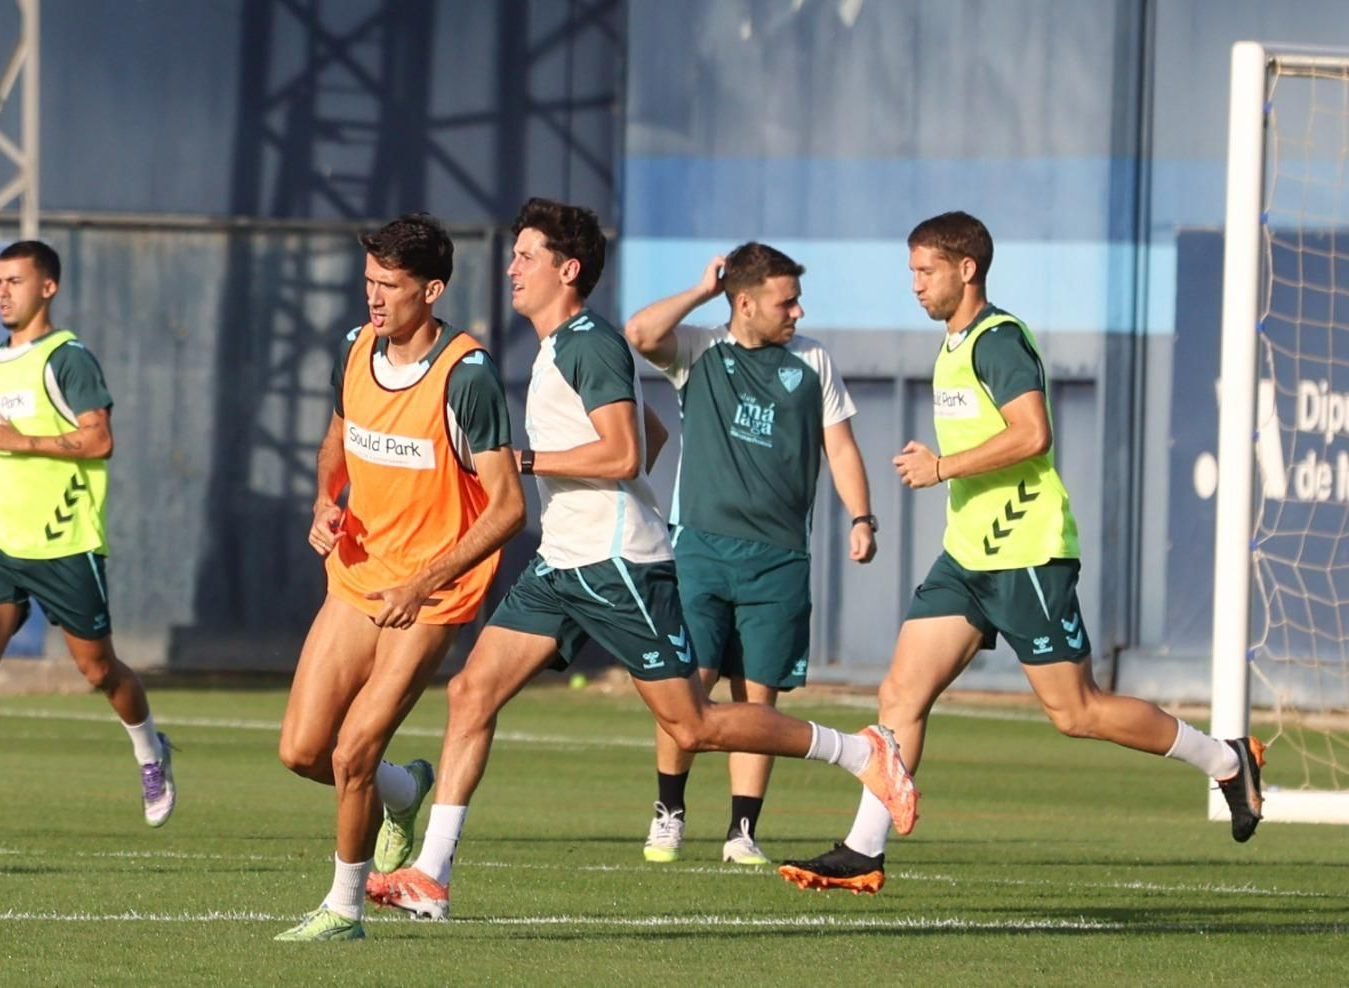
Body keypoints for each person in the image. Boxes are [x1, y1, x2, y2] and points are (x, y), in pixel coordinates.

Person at [367, 198, 918, 922]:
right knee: (472, 693)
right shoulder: (561, 343)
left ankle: (861, 751)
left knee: (694, 726)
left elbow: (625, 453)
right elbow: (647, 435)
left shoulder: (587, 341)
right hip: (564, 560)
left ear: (568, 270)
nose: (512, 267)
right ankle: (431, 876)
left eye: (526, 255)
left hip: (617, 564)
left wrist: (527, 459)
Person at [779, 211, 1266, 895]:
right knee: (900, 694)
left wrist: (945, 467)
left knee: (1076, 712)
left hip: (1026, 552)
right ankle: (865, 848)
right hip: (968, 557)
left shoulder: (998, 340)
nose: (914, 285)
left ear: (966, 269)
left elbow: (1032, 433)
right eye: (911, 272)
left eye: (926, 271)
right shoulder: (953, 344)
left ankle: (1225, 758)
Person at [272, 213, 525, 942]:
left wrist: (425, 581)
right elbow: (336, 445)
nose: (374, 299)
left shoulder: (466, 375)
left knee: (352, 752)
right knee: (301, 752)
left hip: (433, 593)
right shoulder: (356, 349)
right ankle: (404, 789)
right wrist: (325, 502)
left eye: (389, 285)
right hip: (358, 575)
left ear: (432, 289)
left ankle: (344, 910)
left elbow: (508, 506)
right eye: (368, 283)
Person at [0, 240, 175, 833]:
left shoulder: (67, 357)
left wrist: (22, 442)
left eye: (15, 281)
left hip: (62, 540)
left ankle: (151, 751)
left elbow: (98, 441)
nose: (3, 291)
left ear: (47, 287)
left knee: (99, 672)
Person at [624, 242, 877, 865]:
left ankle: (742, 832)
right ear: (743, 302)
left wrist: (863, 517)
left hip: (779, 558)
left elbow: (840, 449)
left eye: (796, 299)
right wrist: (702, 290)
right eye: (784, 300)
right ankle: (669, 811)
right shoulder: (701, 350)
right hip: (701, 549)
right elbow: (639, 332)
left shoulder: (813, 360)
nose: (796, 310)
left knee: (756, 700)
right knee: (687, 689)